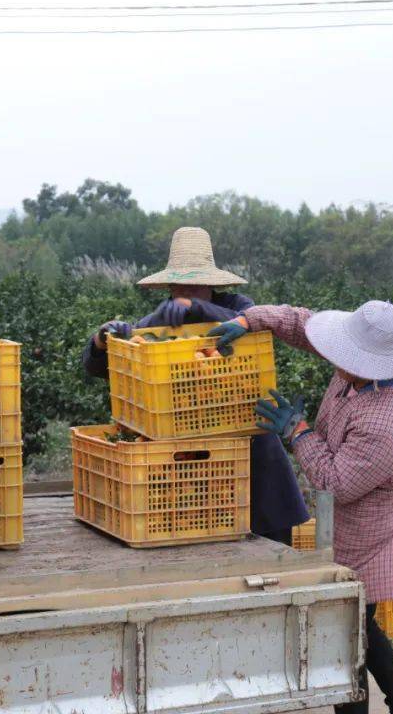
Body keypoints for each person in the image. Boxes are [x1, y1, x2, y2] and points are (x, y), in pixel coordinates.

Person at [209, 300, 393, 714]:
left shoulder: (386, 420)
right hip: (347, 522)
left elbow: (336, 483)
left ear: (367, 364)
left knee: (345, 627)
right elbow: (301, 323)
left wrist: (299, 431)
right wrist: (248, 319)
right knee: (355, 622)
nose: (333, 356)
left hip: (371, 529)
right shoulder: (365, 375)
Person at [82, 226, 309, 545]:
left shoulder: (238, 306)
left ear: (211, 285)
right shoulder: (159, 321)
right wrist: (101, 340)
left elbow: (249, 320)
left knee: (271, 549)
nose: (185, 295)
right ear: (170, 285)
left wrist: (199, 309)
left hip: (252, 454)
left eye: (195, 287)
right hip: (195, 467)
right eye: (180, 287)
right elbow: (101, 367)